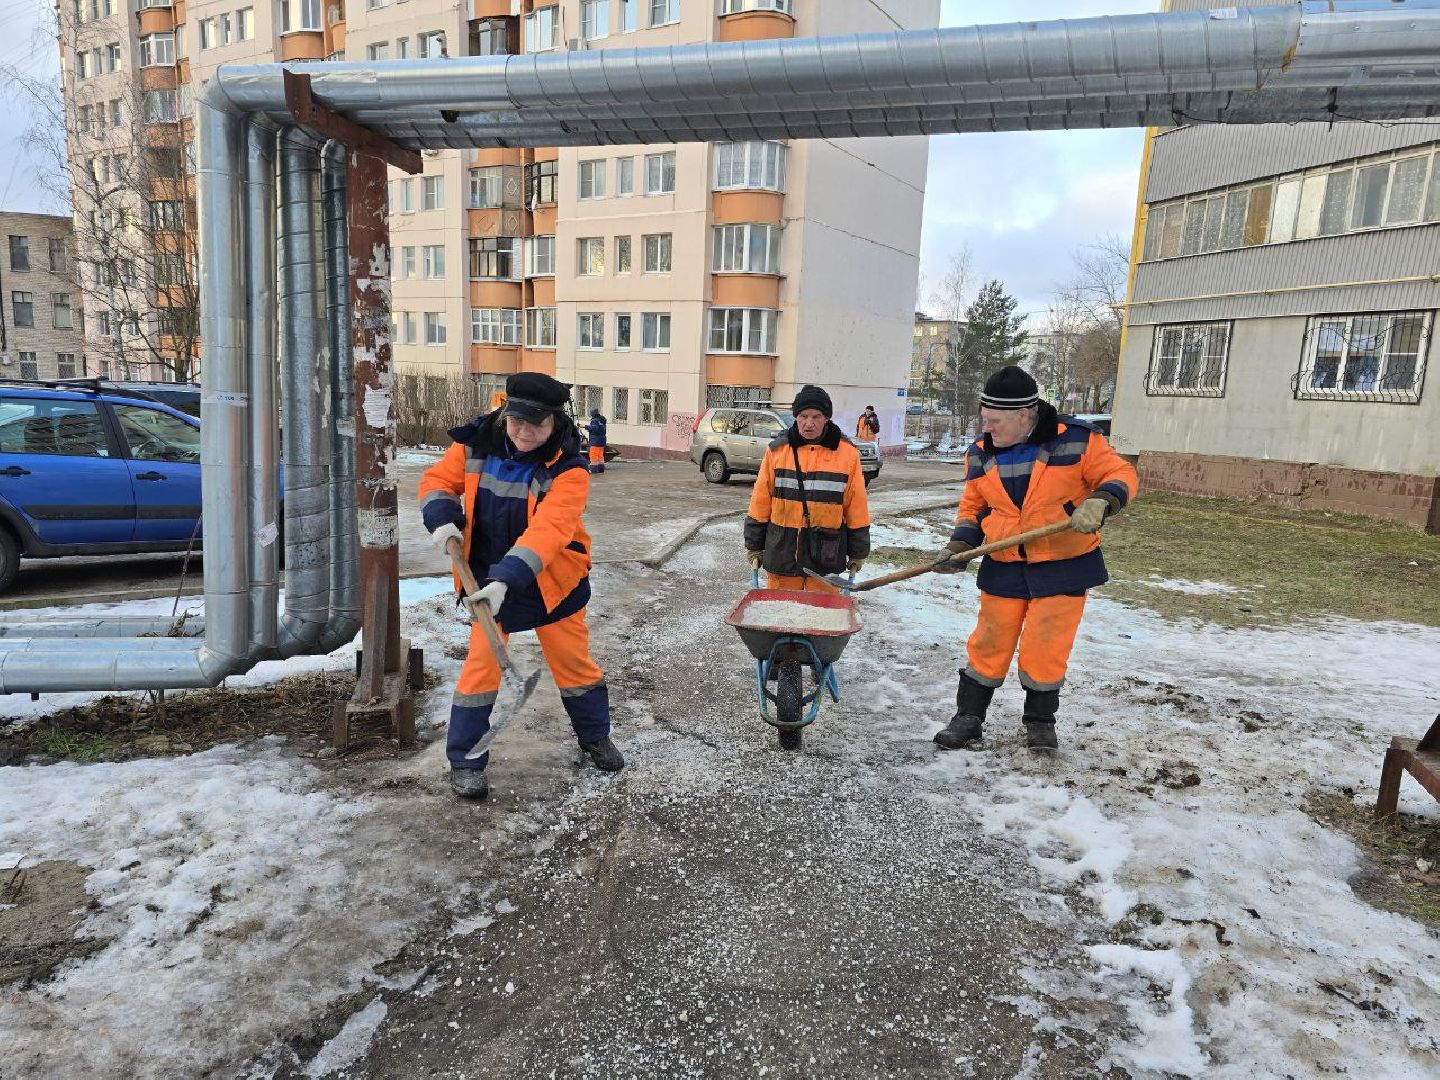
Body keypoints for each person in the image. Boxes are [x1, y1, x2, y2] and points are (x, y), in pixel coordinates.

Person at [419, 372, 623, 800]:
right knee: (481, 667)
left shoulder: (569, 468)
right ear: (504, 414)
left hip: (551, 579)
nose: (525, 432)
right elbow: (437, 481)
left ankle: (594, 736)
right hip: (482, 578)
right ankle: (466, 758)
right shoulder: (477, 441)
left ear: (555, 421)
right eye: (516, 422)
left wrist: (506, 580)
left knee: (574, 664)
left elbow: (549, 531)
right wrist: (442, 519)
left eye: (537, 424)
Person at [932, 366, 1137, 752]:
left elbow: (1121, 472)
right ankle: (968, 718)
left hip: (1065, 564)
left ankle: (1040, 722)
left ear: (1023, 416)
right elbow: (973, 506)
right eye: (984, 420)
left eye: (994, 421)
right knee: (989, 642)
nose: (986, 428)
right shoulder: (980, 452)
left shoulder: (1077, 440)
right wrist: (960, 545)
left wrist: (1102, 500)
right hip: (1004, 562)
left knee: (1047, 646)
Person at [743, 384, 871, 592]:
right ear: (796, 416)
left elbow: (856, 505)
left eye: (816, 416)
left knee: (821, 615)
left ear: (827, 418)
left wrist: (858, 551)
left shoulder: (847, 454)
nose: (808, 423)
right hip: (783, 550)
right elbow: (760, 501)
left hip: (825, 553)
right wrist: (754, 545)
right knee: (781, 613)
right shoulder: (777, 451)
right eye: (803, 416)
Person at [585, 408, 607, 474]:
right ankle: (601, 469)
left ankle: (593, 469)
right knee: (600, 456)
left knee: (593, 456)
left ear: (593, 414)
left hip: (595, 441)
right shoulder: (602, 420)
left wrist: (585, 426)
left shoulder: (594, 421)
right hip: (601, 441)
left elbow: (594, 428)